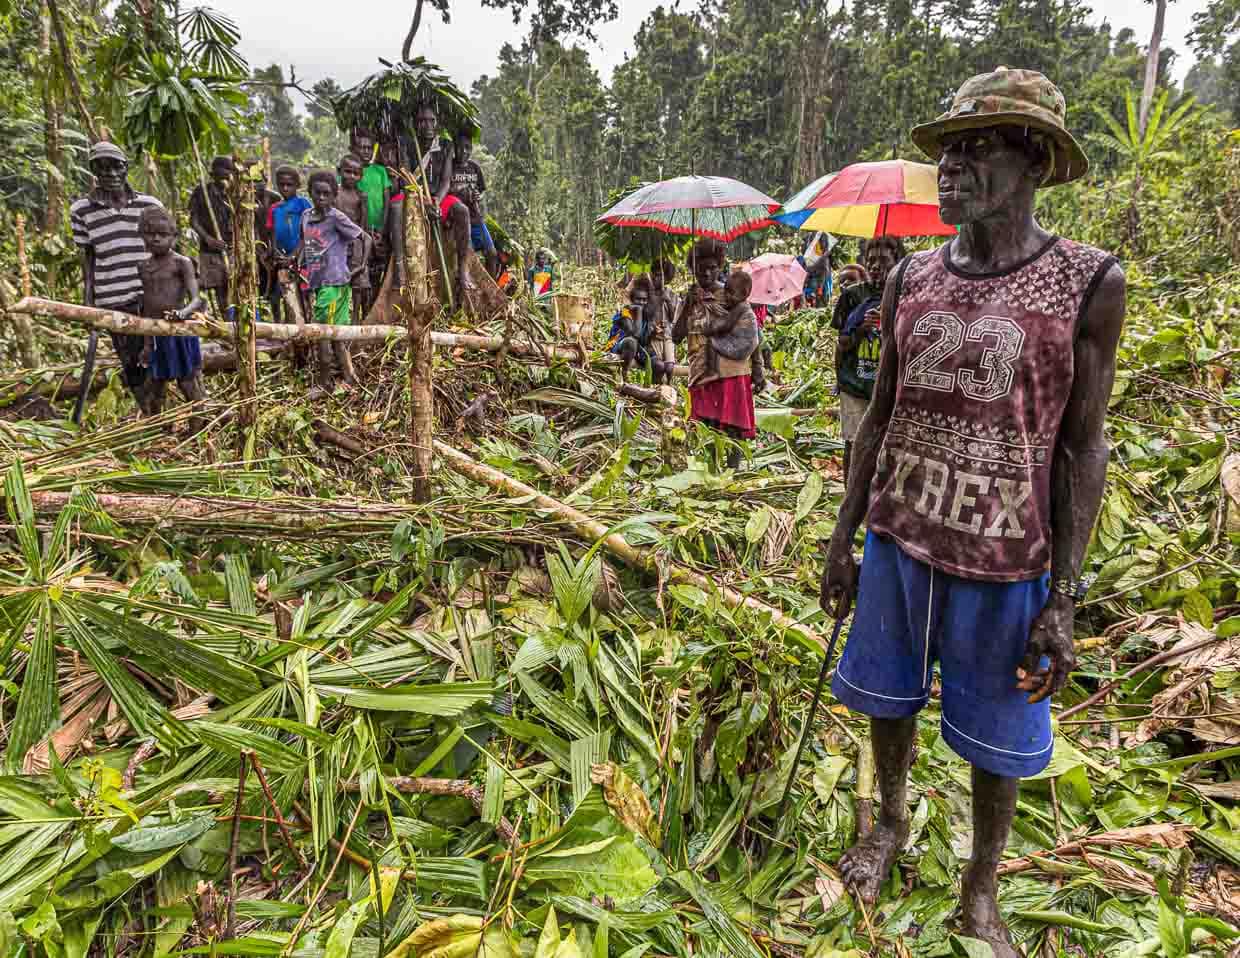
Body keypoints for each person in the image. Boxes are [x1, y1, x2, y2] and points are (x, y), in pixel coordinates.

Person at [819, 67, 1125, 958]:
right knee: (887, 699)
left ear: (1033, 162)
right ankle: (889, 822)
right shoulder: (911, 276)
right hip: (902, 533)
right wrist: (844, 536)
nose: (950, 169)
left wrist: (1065, 596)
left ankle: (980, 888)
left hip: (1007, 553)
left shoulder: (1086, 282)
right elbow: (878, 414)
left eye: (977, 148)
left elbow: (1082, 444)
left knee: (999, 735)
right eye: (947, 152)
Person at [70, 141, 165, 408]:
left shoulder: (149, 204)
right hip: (112, 296)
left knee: (158, 356)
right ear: (93, 171)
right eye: (102, 168)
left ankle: (161, 413)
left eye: (116, 166)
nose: (110, 174)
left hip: (151, 295)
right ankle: (151, 417)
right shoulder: (81, 211)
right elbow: (88, 258)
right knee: (130, 361)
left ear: (126, 168)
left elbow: (166, 251)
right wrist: (88, 302)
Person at [673, 241, 758, 469]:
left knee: (733, 427)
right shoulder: (688, 298)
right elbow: (675, 336)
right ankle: (712, 473)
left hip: (731, 370)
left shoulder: (731, 294)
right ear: (693, 269)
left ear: (720, 266)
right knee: (707, 426)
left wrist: (758, 372)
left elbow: (749, 331)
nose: (707, 273)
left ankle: (732, 474)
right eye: (701, 268)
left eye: (712, 267)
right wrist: (689, 305)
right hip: (701, 370)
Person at [836, 238, 904, 483]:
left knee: (888, 444)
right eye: (871, 260)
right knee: (853, 442)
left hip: (889, 386)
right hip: (855, 383)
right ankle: (849, 495)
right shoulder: (853, 296)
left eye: (883, 260)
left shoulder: (907, 295)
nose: (876, 266)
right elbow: (841, 343)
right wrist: (861, 329)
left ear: (898, 262)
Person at [298, 170, 371, 393]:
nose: (321, 197)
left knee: (322, 333)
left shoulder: (336, 217)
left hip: (334, 284)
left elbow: (364, 238)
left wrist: (359, 267)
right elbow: (305, 243)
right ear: (310, 192)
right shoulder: (306, 216)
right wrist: (296, 262)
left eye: (326, 194)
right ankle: (349, 377)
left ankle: (325, 382)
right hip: (318, 282)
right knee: (336, 333)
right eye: (317, 193)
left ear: (334, 195)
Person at [136, 206, 207, 424]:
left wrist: (182, 313)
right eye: (151, 234)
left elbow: (197, 299)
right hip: (157, 332)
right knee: (156, 383)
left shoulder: (182, 263)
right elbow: (147, 307)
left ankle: (198, 426)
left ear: (174, 237)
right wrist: (147, 343)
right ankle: (160, 429)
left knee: (187, 382)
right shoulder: (143, 266)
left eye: (163, 234)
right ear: (143, 236)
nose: (157, 239)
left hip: (179, 331)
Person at [412, 102, 473, 302]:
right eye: (422, 121)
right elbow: (406, 177)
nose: (427, 125)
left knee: (462, 211)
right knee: (396, 208)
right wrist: (423, 200)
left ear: (438, 123)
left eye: (432, 121)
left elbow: (446, 180)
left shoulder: (445, 146)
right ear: (416, 123)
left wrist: (437, 200)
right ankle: (400, 272)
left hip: (439, 196)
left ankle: (463, 269)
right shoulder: (408, 143)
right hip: (414, 195)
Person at [188, 155, 235, 319]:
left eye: (227, 175)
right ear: (212, 174)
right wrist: (208, 238)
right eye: (220, 175)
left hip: (232, 249)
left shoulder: (236, 194)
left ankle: (234, 326)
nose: (223, 179)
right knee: (218, 289)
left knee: (233, 288)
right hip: (209, 251)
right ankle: (224, 325)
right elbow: (193, 220)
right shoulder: (202, 192)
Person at [266, 165, 312, 322]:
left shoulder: (303, 204)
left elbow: (308, 233)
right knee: (284, 295)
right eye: (281, 184)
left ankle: (308, 328)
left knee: (304, 296)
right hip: (281, 261)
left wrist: (293, 256)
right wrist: (275, 253)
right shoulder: (274, 209)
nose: (285, 188)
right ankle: (284, 328)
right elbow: (272, 234)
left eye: (289, 184)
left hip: (302, 259)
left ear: (297, 185)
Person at [449, 132, 498, 277]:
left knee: (492, 253)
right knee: (465, 256)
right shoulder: (449, 166)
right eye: (460, 147)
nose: (464, 151)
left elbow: (481, 191)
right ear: (454, 147)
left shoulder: (474, 167)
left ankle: (492, 289)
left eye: (468, 148)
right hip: (457, 220)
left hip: (475, 217)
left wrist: (478, 196)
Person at [352, 128, 392, 295]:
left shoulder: (380, 171)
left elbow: (387, 201)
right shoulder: (352, 172)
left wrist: (382, 231)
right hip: (361, 230)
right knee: (363, 271)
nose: (366, 151)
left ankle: (374, 308)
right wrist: (365, 230)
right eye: (362, 147)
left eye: (369, 148)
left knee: (378, 271)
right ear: (355, 149)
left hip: (380, 230)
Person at [335, 154, 371, 324]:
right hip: (337, 242)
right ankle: (339, 316)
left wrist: (363, 249)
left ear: (361, 176)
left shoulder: (361, 196)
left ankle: (356, 317)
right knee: (338, 281)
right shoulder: (333, 193)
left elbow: (363, 225)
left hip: (356, 242)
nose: (351, 176)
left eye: (355, 173)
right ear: (339, 171)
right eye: (347, 172)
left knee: (358, 285)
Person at [608, 274, 654, 381]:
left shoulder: (647, 315)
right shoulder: (625, 312)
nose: (642, 303)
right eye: (638, 299)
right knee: (631, 342)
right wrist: (638, 311)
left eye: (644, 300)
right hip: (618, 346)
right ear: (632, 300)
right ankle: (624, 373)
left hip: (637, 349)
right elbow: (635, 334)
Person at [647, 257, 678, 385]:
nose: (656, 278)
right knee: (658, 367)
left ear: (667, 278)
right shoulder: (649, 294)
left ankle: (669, 386)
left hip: (667, 335)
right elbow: (647, 314)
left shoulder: (671, 294)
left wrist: (668, 301)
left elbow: (672, 317)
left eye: (660, 276)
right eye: (655, 275)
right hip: (654, 336)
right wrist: (659, 300)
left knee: (670, 367)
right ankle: (655, 387)